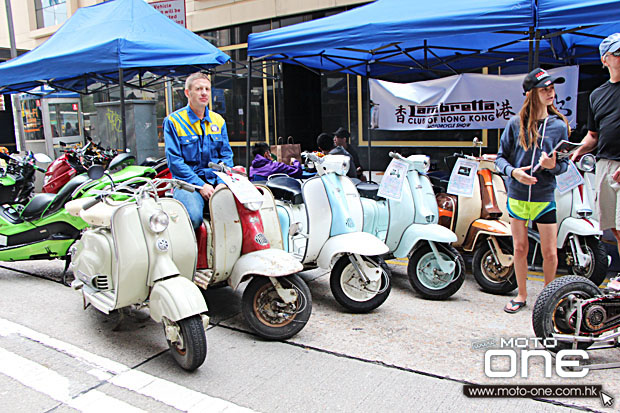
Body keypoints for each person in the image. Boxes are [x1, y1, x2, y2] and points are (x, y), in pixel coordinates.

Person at [495, 68, 570, 314]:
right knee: (520, 248)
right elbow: (500, 159)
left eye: (552, 88)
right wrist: (514, 172)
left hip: (544, 196)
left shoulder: (559, 125)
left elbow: (564, 165)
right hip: (517, 196)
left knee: (549, 251)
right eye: (544, 89)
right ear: (530, 94)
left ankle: (549, 298)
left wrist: (553, 166)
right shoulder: (515, 124)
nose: (551, 93)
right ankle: (522, 294)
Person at [163, 72, 233, 230]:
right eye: (199, 89)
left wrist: (222, 183)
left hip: (216, 182)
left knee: (242, 212)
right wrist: (201, 185)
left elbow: (226, 156)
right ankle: (190, 253)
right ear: (187, 93)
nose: (204, 93)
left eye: (207, 89)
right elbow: (175, 162)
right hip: (188, 184)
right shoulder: (174, 122)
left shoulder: (218, 121)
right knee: (194, 217)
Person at [572, 33, 620, 260]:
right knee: (615, 228)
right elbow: (593, 135)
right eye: (618, 53)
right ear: (605, 59)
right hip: (605, 164)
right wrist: (576, 151)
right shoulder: (597, 95)